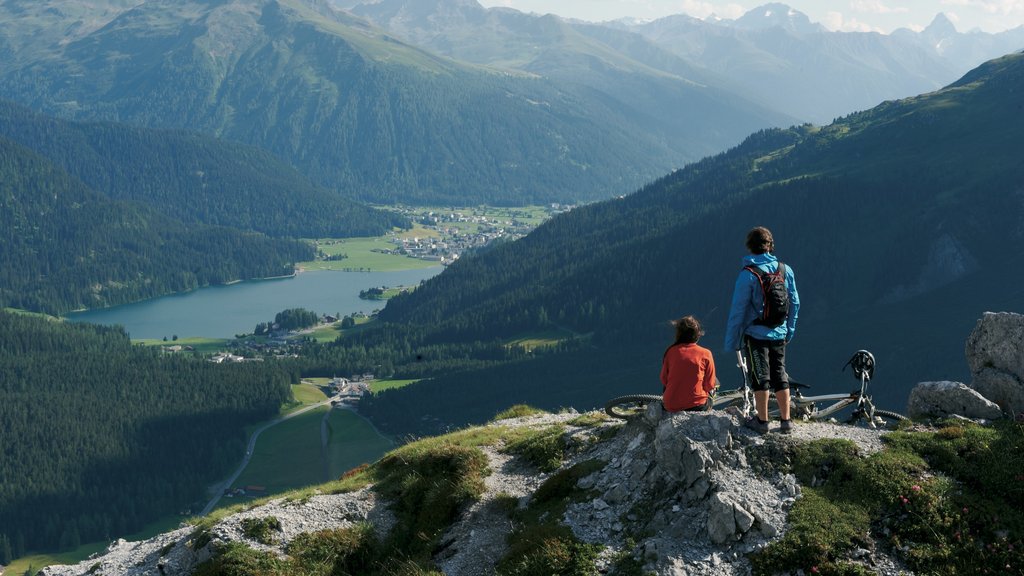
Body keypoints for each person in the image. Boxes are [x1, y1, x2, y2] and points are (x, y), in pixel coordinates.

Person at [724, 226, 800, 433]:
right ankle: (786, 421)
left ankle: (762, 421)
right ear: (770, 245)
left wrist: (731, 342)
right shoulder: (785, 270)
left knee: (760, 377)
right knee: (780, 373)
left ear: (750, 247)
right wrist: (789, 329)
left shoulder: (747, 274)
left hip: (756, 334)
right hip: (779, 331)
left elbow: (737, 311)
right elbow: (795, 302)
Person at [661, 315, 717, 412]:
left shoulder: (670, 351)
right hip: (697, 406)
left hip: (671, 406)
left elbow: (664, 379)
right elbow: (710, 385)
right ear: (697, 334)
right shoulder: (706, 353)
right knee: (715, 381)